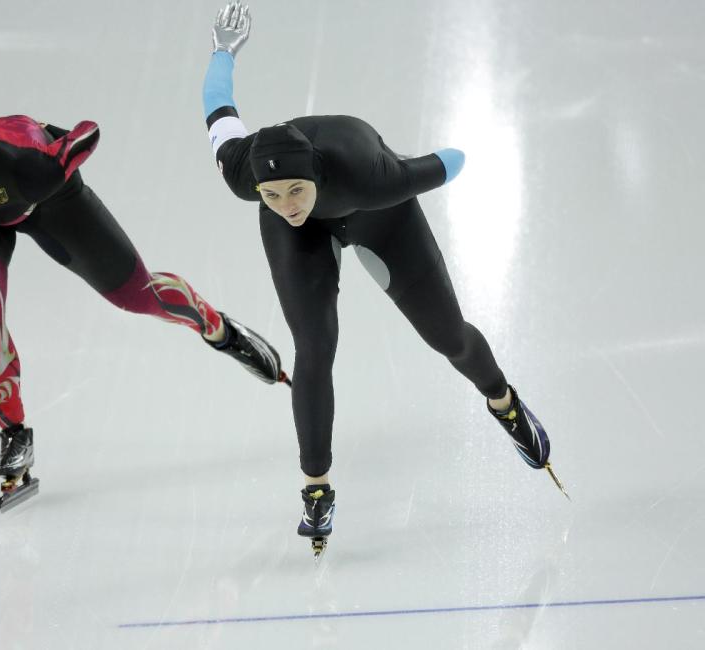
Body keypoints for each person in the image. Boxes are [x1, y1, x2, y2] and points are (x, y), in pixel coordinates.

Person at [0, 6, 289, 511]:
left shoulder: (28, 166)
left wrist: (65, 144)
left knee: (138, 297)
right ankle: (15, 433)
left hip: (50, 201)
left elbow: (88, 132)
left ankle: (220, 329)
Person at [202, 2, 565, 555]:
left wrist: (464, 145)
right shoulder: (246, 175)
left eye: (294, 191)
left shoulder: (374, 175)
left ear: (316, 176)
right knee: (314, 348)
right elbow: (218, 108)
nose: (286, 204)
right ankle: (316, 487)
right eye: (271, 196)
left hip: (379, 216)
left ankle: (504, 402)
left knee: (447, 335)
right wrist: (224, 49)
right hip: (307, 242)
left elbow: (453, 158)